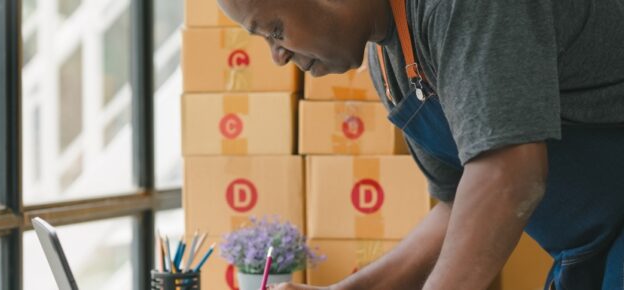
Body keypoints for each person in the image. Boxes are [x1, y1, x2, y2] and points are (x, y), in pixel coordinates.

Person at [216, 0, 624, 289]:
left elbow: (508, 175)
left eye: (275, 30)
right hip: (590, 255)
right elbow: (455, 205)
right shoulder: (389, 65)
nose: (277, 56)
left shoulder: (461, 7)